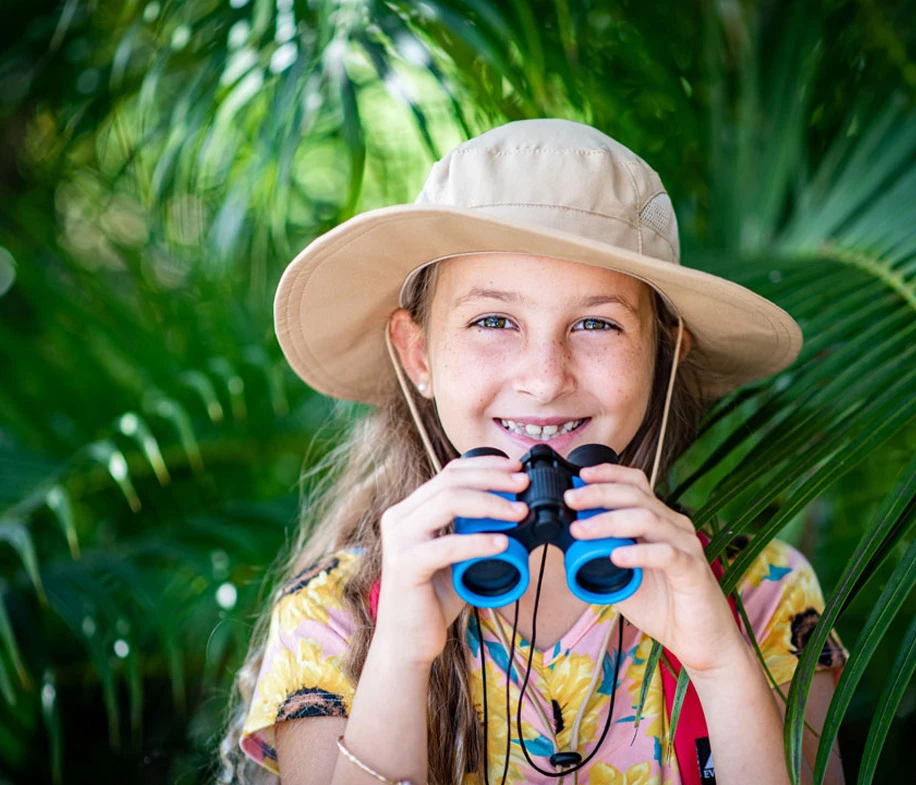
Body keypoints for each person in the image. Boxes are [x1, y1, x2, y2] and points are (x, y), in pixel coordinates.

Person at [217, 119, 849, 785]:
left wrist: (721, 660)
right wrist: (399, 655)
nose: (546, 377)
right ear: (417, 354)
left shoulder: (764, 595)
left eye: (596, 323)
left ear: (664, 356)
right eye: (494, 321)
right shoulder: (335, 616)